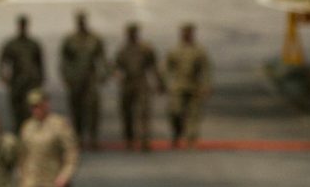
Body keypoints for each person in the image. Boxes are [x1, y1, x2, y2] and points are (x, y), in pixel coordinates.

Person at [60, 10, 108, 150]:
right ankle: (78, 137)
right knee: (76, 109)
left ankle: (93, 137)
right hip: (75, 80)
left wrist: (103, 74)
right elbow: (64, 60)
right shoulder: (70, 40)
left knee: (93, 109)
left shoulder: (94, 39)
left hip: (90, 79)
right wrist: (66, 77)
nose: (81, 23)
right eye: (79, 21)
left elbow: (102, 57)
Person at [114, 23, 166, 151]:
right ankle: (129, 139)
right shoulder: (123, 49)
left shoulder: (146, 49)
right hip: (128, 82)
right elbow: (116, 65)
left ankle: (144, 140)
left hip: (141, 82)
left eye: (133, 33)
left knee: (144, 112)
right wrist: (117, 75)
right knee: (126, 112)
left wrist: (160, 82)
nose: (131, 35)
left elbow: (154, 66)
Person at [165, 23, 211, 148]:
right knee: (176, 112)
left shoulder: (199, 51)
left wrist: (206, 85)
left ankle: (191, 138)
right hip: (178, 86)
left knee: (194, 113)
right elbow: (166, 68)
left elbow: (206, 69)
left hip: (194, 86)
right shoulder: (174, 50)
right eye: (185, 32)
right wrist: (163, 84)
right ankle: (177, 132)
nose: (187, 35)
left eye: (189, 32)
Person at [0, 15, 46, 130]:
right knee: (17, 111)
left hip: (31, 83)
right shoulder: (12, 45)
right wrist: (4, 76)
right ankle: (19, 133)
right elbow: (3, 61)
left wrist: (40, 79)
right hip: (17, 83)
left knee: (32, 110)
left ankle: (31, 134)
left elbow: (40, 63)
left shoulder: (33, 44)